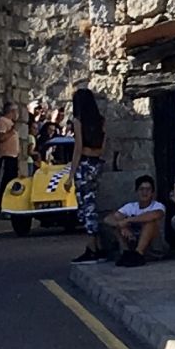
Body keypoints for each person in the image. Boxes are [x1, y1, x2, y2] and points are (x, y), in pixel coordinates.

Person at [64, 87, 107, 264]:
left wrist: (70, 175)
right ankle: (98, 247)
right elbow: (103, 148)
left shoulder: (78, 121)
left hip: (84, 165)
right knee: (92, 204)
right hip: (96, 164)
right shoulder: (101, 121)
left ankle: (92, 248)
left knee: (85, 206)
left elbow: (78, 148)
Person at [101, 174, 166, 267]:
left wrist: (127, 221)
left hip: (153, 248)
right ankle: (126, 253)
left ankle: (139, 254)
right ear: (136, 191)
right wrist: (121, 225)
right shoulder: (130, 206)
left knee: (150, 223)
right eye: (141, 189)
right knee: (117, 224)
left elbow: (154, 215)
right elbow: (108, 219)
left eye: (148, 189)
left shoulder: (158, 206)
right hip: (132, 242)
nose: (145, 192)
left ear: (152, 192)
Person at [0, 101, 21, 213]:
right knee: (3, 183)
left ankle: (8, 206)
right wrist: (12, 131)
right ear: (11, 111)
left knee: (11, 183)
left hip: (13, 157)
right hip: (5, 157)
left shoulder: (11, 123)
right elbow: (1, 138)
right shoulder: (2, 121)